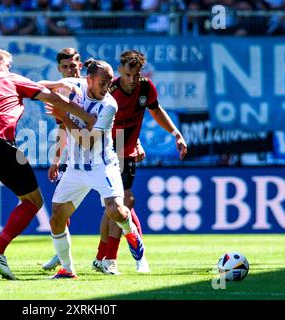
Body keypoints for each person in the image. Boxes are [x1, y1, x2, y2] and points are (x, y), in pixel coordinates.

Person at [0, 47, 95, 280]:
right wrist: (86, 116)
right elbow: (51, 97)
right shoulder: (10, 78)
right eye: (8, 64)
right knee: (33, 201)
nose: (9, 68)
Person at [45, 58, 144, 279]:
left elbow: (88, 142)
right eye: (103, 82)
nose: (107, 87)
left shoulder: (109, 105)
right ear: (88, 79)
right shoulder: (76, 86)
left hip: (102, 165)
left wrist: (63, 117)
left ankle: (131, 232)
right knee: (56, 217)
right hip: (76, 168)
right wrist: (24, 87)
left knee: (115, 210)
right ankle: (67, 269)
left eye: (109, 82)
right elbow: (46, 86)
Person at [92, 50, 188, 275]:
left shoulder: (146, 88)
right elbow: (96, 122)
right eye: (127, 74)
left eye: (135, 74)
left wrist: (176, 133)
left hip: (125, 152)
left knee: (120, 204)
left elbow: (156, 111)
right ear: (119, 71)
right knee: (115, 207)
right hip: (104, 152)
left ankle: (109, 259)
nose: (132, 80)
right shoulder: (110, 91)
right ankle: (106, 257)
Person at [39, 47, 84, 270]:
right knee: (60, 207)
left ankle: (122, 256)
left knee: (117, 205)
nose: (69, 70)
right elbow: (63, 130)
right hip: (75, 158)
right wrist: (56, 160)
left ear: (80, 65)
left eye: (73, 65)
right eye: (64, 67)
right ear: (59, 68)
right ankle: (61, 253)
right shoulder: (61, 93)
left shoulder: (91, 86)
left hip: (101, 155)